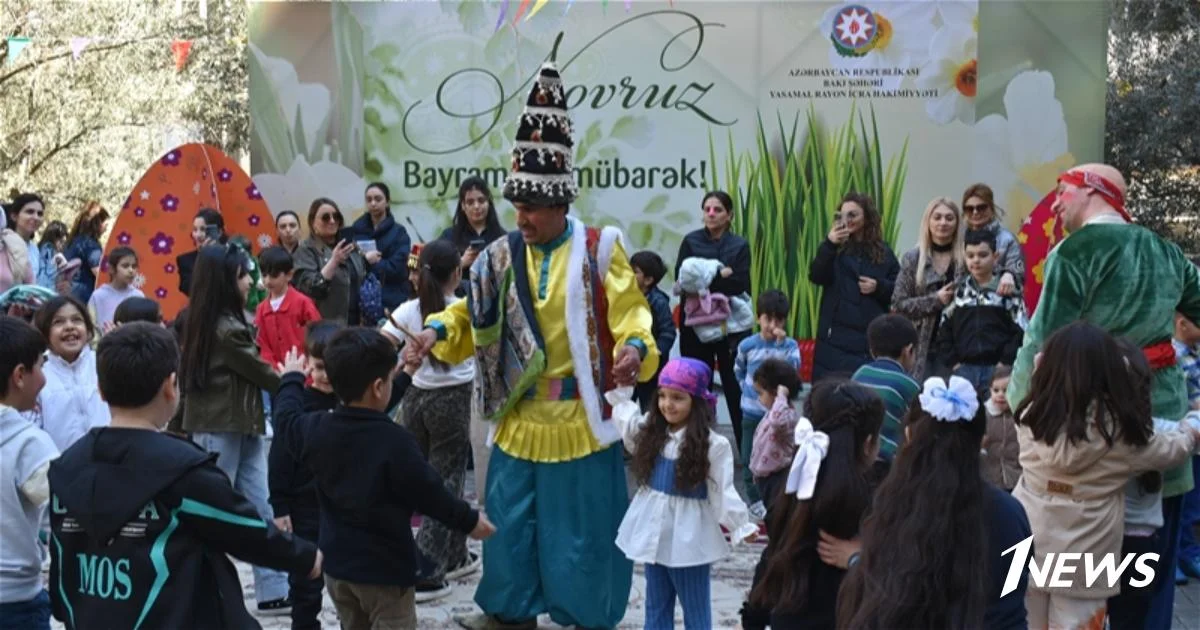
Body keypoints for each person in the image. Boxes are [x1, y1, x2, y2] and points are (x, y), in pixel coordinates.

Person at [408, 34, 661, 630]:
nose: (520, 217)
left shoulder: (601, 249)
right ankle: (507, 611)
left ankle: (586, 615)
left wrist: (633, 350)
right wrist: (434, 331)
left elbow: (633, 316)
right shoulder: (497, 255)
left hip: (581, 418)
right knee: (509, 519)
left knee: (582, 530)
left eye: (533, 208)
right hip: (518, 417)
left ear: (561, 201)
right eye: (515, 204)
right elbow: (471, 316)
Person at [1006, 163, 1200, 628]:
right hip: (1159, 423)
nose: (1055, 203)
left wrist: (1022, 406)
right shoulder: (1168, 252)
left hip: (1084, 426)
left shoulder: (1076, 252)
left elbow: (1043, 339)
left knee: (1056, 580)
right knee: (1149, 573)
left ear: (1095, 193)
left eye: (1062, 192)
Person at [47, 323, 320, 629]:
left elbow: (61, 558)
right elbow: (246, 532)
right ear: (171, 385)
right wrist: (307, 557)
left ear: (101, 389)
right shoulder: (182, 470)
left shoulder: (65, 467)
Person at [273, 328, 495, 629]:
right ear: (378, 386)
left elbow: (285, 421)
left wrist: (290, 379)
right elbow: (430, 493)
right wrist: (469, 521)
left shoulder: (317, 429)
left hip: (338, 570)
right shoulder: (395, 441)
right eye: (391, 379)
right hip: (385, 572)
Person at [1012, 323, 1200, 628]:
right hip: (1085, 559)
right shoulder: (1118, 434)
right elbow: (1172, 449)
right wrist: (1192, 426)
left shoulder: (1031, 415)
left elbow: (1041, 376)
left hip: (1028, 541)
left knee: (1025, 622)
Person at [836, 375, 1034, 629]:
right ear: (980, 439)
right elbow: (1012, 603)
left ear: (908, 434)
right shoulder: (1010, 514)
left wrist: (856, 560)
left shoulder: (888, 507)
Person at [174, 243, 291, 613]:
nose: (250, 281)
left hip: (240, 425)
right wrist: (294, 381)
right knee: (212, 511)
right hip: (219, 429)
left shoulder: (215, 321)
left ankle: (273, 589)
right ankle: (197, 586)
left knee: (259, 506)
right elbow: (262, 372)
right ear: (227, 281)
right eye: (243, 275)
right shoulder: (225, 328)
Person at [607, 358, 757, 630]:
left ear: (697, 402)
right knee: (656, 605)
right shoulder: (652, 432)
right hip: (655, 534)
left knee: (695, 609)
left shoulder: (713, 445)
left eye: (678, 398)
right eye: (663, 396)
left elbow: (721, 489)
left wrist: (739, 525)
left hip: (690, 540)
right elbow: (628, 428)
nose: (667, 404)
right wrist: (623, 394)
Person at [382, 239, 481, 599]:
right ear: (457, 273)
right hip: (452, 401)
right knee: (445, 482)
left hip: (413, 397)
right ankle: (426, 568)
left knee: (414, 479)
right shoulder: (462, 309)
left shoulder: (408, 309)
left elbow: (380, 344)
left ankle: (453, 555)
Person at [745, 379, 883, 629]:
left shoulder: (792, 486)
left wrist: (751, 618)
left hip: (788, 617)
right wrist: (858, 559)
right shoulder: (872, 500)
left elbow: (774, 556)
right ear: (868, 443)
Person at [675, 190, 752, 450]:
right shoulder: (691, 241)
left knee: (734, 386)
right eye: (707, 208)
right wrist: (720, 275)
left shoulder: (739, 245)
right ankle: (697, 446)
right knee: (697, 384)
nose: (710, 214)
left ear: (729, 215)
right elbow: (683, 281)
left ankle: (745, 451)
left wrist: (706, 279)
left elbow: (739, 283)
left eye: (717, 209)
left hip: (731, 326)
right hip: (696, 326)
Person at [0, 316, 57, 630]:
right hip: (14, 603)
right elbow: (62, 511)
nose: (45, 378)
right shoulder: (28, 443)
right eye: (42, 365)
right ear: (20, 375)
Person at [809, 192, 901, 381]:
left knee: (863, 399)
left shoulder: (884, 252)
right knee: (830, 397)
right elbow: (817, 276)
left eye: (853, 215)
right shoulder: (833, 249)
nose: (847, 220)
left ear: (866, 217)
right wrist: (829, 245)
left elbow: (899, 290)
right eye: (842, 215)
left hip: (868, 339)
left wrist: (879, 287)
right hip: (834, 340)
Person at [733, 289, 801, 515]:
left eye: (778, 319)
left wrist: (781, 346)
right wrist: (747, 389)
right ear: (758, 318)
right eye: (768, 318)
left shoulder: (789, 346)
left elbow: (793, 371)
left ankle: (774, 497)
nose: (773, 324)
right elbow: (739, 370)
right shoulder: (748, 346)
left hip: (777, 418)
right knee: (748, 457)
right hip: (751, 413)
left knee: (776, 458)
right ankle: (754, 502)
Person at [934, 229, 1027, 393]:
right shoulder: (958, 291)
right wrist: (954, 362)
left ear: (995, 256)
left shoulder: (1007, 292)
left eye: (983, 255)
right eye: (971, 256)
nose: (976, 261)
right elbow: (944, 329)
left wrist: (1005, 361)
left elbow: (1021, 330)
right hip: (963, 370)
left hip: (999, 372)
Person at [891, 197, 965, 379]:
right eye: (937, 217)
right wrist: (935, 300)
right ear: (928, 221)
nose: (943, 223)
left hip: (956, 348)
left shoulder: (966, 259)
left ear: (957, 223)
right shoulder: (913, 258)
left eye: (949, 218)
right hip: (920, 347)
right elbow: (898, 303)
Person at [33, 295, 111, 451]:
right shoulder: (38, 374)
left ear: (89, 331)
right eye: (58, 322)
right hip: (62, 464)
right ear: (45, 334)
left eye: (76, 320)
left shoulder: (104, 363)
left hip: (108, 459)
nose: (69, 327)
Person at [850, 314, 920, 462]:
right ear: (909, 350)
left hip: (857, 456)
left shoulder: (859, 373)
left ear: (871, 350)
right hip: (890, 463)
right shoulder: (909, 385)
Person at [293, 198, 368, 325]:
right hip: (324, 327)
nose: (332, 221)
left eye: (336, 216)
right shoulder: (306, 251)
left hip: (355, 324)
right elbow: (311, 290)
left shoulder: (349, 246)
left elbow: (360, 278)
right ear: (313, 223)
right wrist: (334, 261)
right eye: (325, 217)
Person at [746, 358, 803, 510]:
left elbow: (777, 422)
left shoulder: (787, 416)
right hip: (765, 477)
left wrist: (781, 396)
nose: (759, 398)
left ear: (774, 392)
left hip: (778, 477)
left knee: (776, 512)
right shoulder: (773, 413)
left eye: (761, 393)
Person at [440, 176, 507, 298]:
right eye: (470, 202)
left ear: (488, 202)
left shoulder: (502, 237)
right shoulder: (449, 236)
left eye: (481, 200)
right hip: (457, 302)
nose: (476, 206)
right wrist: (461, 263)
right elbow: (436, 273)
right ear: (463, 206)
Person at [255, 246, 321, 369]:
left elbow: (317, 337)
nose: (268, 281)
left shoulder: (303, 303)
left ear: (289, 275)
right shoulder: (261, 310)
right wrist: (276, 370)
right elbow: (262, 345)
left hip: (305, 372)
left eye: (274, 275)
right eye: (264, 275)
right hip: (275, 376)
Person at [352, 182, 412, 312]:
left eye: (378, 199)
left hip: (392, 300)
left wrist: (375, 263)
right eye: (369, 200)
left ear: (387, 202)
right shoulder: (356, 231)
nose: (373, 203)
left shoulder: (399, 233)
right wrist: (365, 260)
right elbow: (350, 267)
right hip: (361, 302)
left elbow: (398, 268)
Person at [630, 250, 677, 411]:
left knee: (650, 409)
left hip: (651, 368)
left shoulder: (658, 302)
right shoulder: (624, 299)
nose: (628, 275)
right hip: (628, 365)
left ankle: (651, 436)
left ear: (649, 280)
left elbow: (668, 332)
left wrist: (655, 353)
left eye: (634, 272)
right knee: (622, 408)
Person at [1174, 304, 1200, 584]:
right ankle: (1180, 556)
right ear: (1182, 323)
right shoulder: (1175, 358)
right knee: (1183, 501)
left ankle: (1189, 551)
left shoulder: (1193, 353)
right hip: (1186, 441)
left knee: (1194, 503)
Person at [961, 183, 1024, 296]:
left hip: (999, 304)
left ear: (991, 208)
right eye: (970, 209)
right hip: (964, 305)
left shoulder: (1007, 239)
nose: (975, 212)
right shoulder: (959, 239)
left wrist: (1009, 274)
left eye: (981, 207)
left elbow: (1019, 277)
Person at [981, 365, 1020, 491]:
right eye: (996, 390)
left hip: (1016, 477)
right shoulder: (984, 414)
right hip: (990, 478)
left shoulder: (1020, 415)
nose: (1001, 395)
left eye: (1006, 390)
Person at [62, 201, 109, 303]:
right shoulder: (90, 245)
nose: (107, 226)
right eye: (104, 221)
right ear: (97, 222)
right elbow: (99, 272)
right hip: (83, 297)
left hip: (68, 294)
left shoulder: (72, 242)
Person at [88, 246, 144, 331]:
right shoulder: (98, 296)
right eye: (125, 266)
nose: (131, 270)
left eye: (134, 266)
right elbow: (91, 327)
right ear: (111, 269)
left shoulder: (138, 295)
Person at [176, 207, 226, 297]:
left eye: (203, 230)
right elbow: (192, 289)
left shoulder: (230, 256)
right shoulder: (185, 260)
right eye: (195, 230)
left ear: (218, 232)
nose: (198, 235)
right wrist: (204, 257)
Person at [3, 193, 45, 289]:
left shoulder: (34, 250)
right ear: (14, 216)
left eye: (40, 214)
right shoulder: (3, 244)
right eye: (30, 212)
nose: (35, 217)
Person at [35, 220, 69, 291]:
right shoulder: (47, 249)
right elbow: (45, 277)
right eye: (60, 239)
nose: (64, 239)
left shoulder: (42, 249)